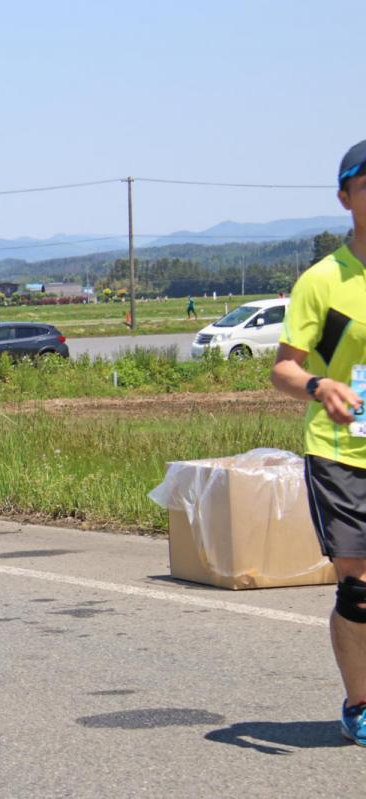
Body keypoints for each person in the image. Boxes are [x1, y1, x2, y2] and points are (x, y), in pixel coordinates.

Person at [271, 138, 366, 746]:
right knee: (359, 588)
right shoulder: (323, 280)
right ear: (346, 198)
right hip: (341, 453)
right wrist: (318, 383)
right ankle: (360, 703)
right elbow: (282, 367)